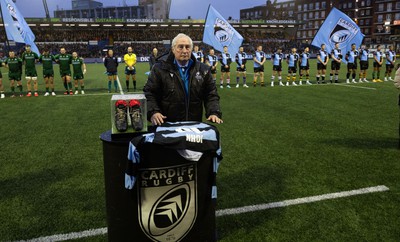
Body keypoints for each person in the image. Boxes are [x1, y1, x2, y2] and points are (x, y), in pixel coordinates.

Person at [144, 33, 222, 125]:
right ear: (173, 49)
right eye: (180, 47)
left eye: (187, 47)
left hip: (194, 125)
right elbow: (149, 93)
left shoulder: (203, 70)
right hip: (167, 125)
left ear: (191, 49)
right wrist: (154, 112)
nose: (184, 50)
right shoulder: (159, 69)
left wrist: (214, 112)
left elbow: (211, 94)